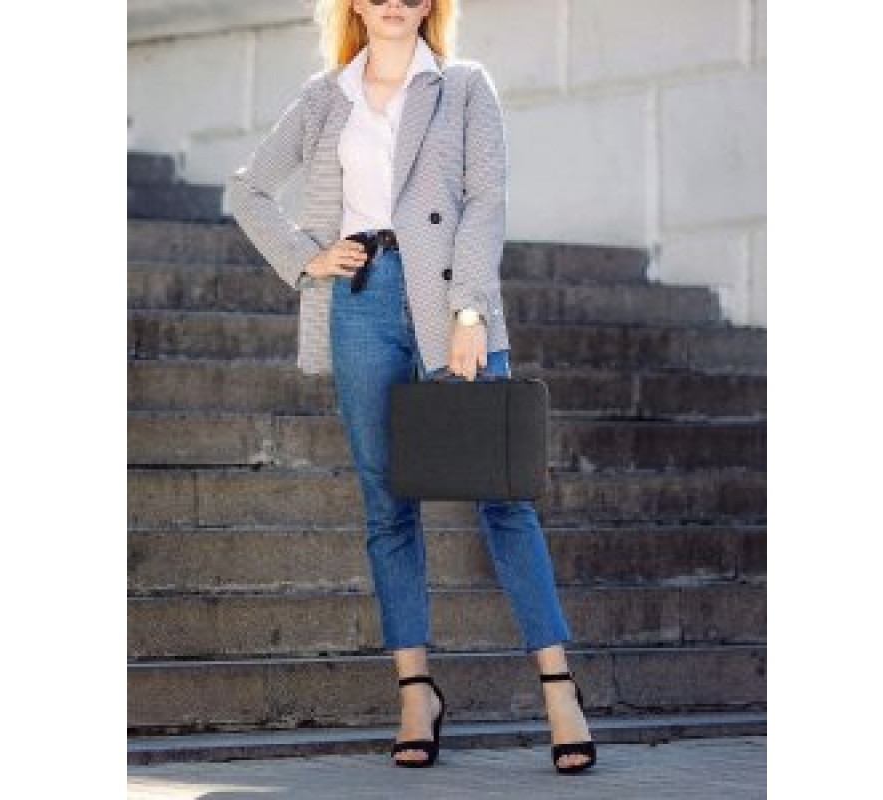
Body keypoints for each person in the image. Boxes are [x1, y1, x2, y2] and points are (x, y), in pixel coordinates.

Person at [226, 0, 595, 774]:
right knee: (386, 502)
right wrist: (306, 256)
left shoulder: (463, 86)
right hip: (361, 305)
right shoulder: (325, 97)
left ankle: (559, 688)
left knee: (503, 495)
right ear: (356, 3)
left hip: (451, 301)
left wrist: (470, 311)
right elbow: (249, 190)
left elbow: (485, 200)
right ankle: (415, 692)